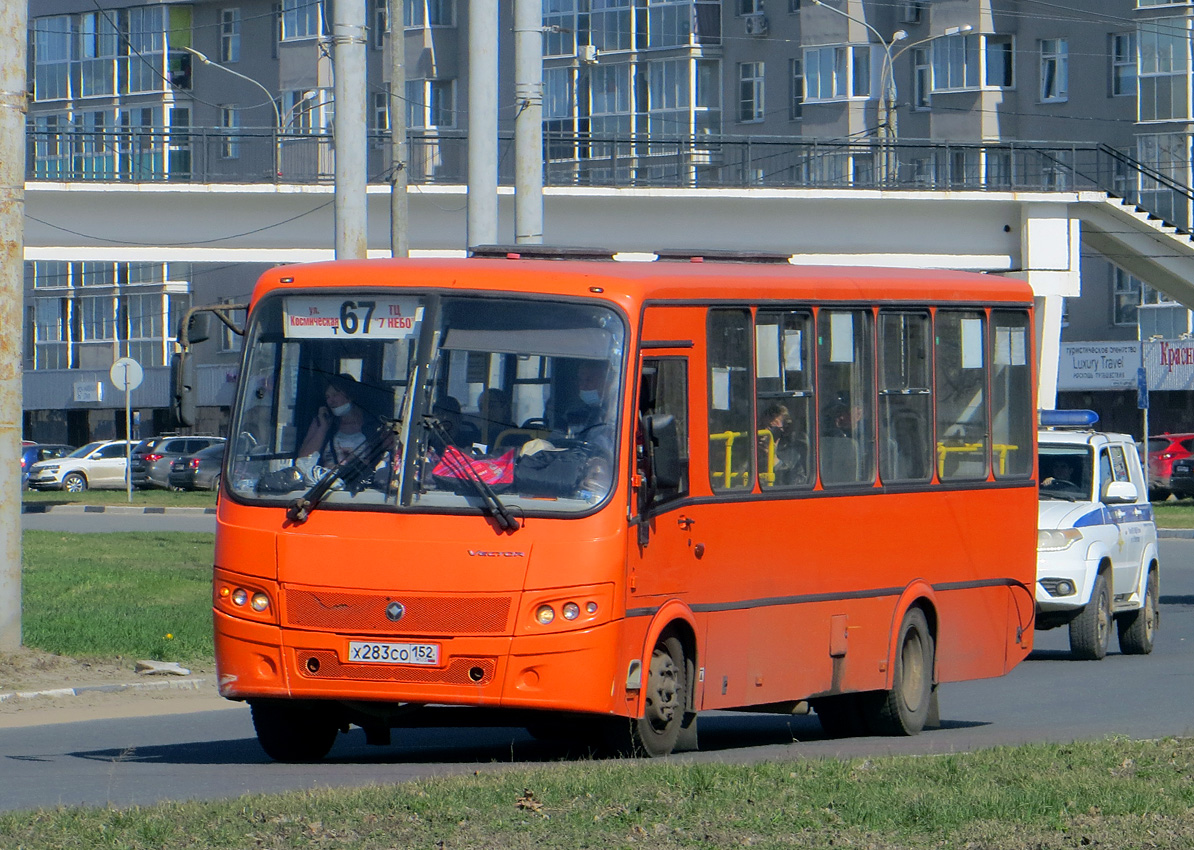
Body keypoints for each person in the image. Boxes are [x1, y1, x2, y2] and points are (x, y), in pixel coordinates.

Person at [297, 375, 387, 481]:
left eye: (335, 395)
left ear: (351, 395)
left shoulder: (375, 426)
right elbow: (303, 461)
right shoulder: (322, 422)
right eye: (327, 397)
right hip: (326, 486)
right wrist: (323, 429)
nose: (331, 401)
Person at [758, 401, 805, 486]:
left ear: (784, 430)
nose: (764, 432)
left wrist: (773, 459)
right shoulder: (754, 450)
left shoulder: (793, 453)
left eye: (771, 428)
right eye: (762, 426)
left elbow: (796, 483)